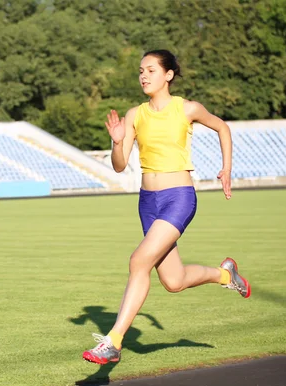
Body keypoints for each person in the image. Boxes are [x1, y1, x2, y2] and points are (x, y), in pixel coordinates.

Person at [82, 49, 251, 365]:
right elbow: (119, 167)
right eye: (140, 71)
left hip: (179, 198)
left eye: (150, 70)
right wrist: (117, 142)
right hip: (148, 202)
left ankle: (113, 342)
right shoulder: (135, 115)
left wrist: (227, 168)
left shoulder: (187, 109)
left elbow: (223, 128)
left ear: (168, 75)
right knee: (173, 282)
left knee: (138, 262)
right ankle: (225, 275)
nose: (143, 76)